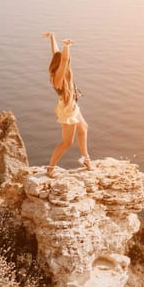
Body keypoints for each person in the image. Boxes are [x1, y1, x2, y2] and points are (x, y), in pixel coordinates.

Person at [42, 31, 91, 177]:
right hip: (68, 110)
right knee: (67, 143)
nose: (67, 62)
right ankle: (50, 168)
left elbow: (56, 53)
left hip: (72, 105)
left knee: (83, 129)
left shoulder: (57, 68)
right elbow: (63, 59)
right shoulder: (58, 76)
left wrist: (52, 38)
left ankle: (85, 159)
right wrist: (67, 46)